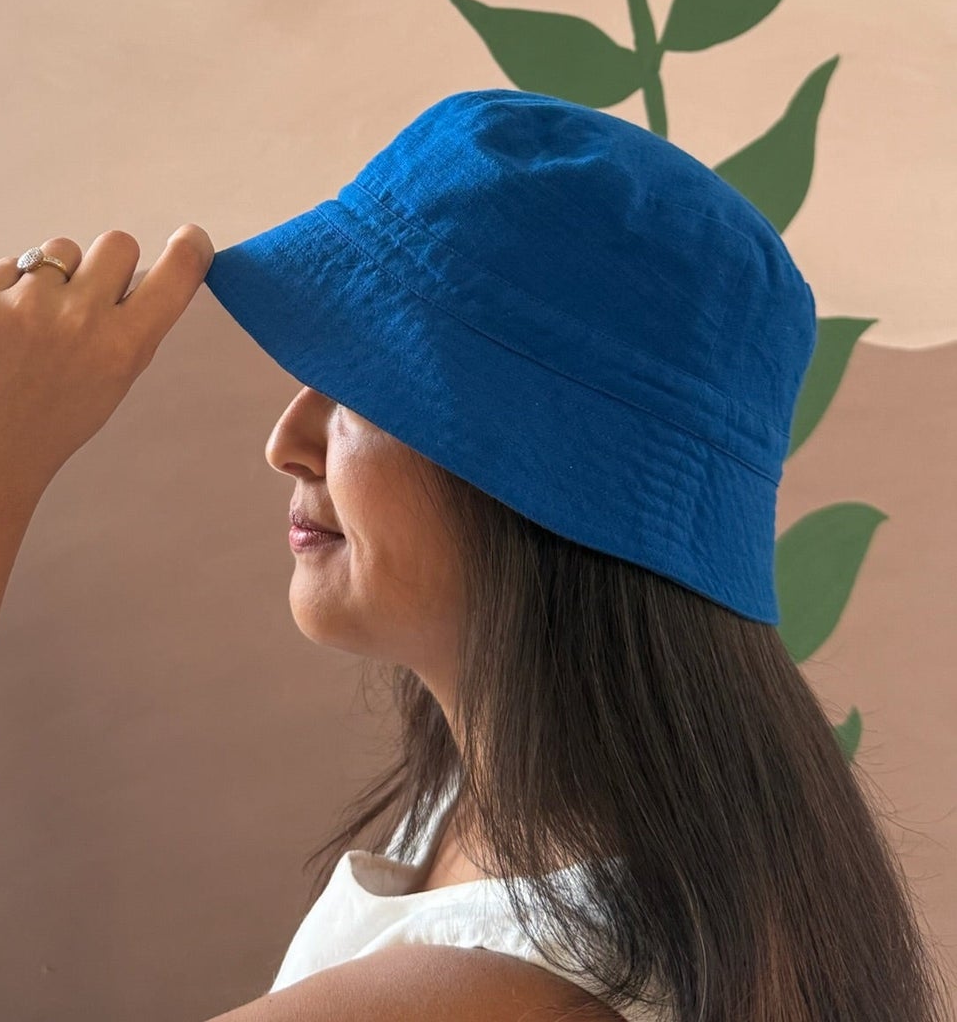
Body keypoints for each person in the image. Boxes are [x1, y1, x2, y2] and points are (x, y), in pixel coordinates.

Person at [199, 88, 954, 1022]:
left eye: (360, 385)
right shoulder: (548, 811)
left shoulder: (500, 992)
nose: (287, 441)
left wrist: (10, 456)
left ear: (541, 475)